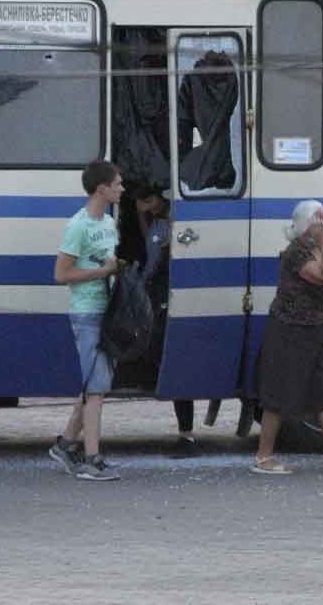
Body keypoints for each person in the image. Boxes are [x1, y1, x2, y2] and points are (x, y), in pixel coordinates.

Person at [250, 200, 323, 475]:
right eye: (321, 221)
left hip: (315, 328)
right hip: (290, 329)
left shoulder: (316, 249)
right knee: (279, 392)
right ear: (308, 225)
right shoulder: (297, 252)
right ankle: (263, 457)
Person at [47, 159, 124, 482]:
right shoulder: (78, 226)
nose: (122, 188)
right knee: (96, 390)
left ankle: (66, 445)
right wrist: (101, 272)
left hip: (106, 311)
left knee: (95, 385)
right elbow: (61, 274)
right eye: (117, 183)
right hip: (86, 311)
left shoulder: (108, 223)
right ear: (101, 188)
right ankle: (92, 459)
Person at [131, 184, 199, 456]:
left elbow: (156, 255)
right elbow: (149, 242)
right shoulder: (159, 224)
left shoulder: (174, 225)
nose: (145, 205)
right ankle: (186, 433)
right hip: (158, 295)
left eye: (148, 199)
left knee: (172, 357)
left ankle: (187, 433)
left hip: (165, 296)